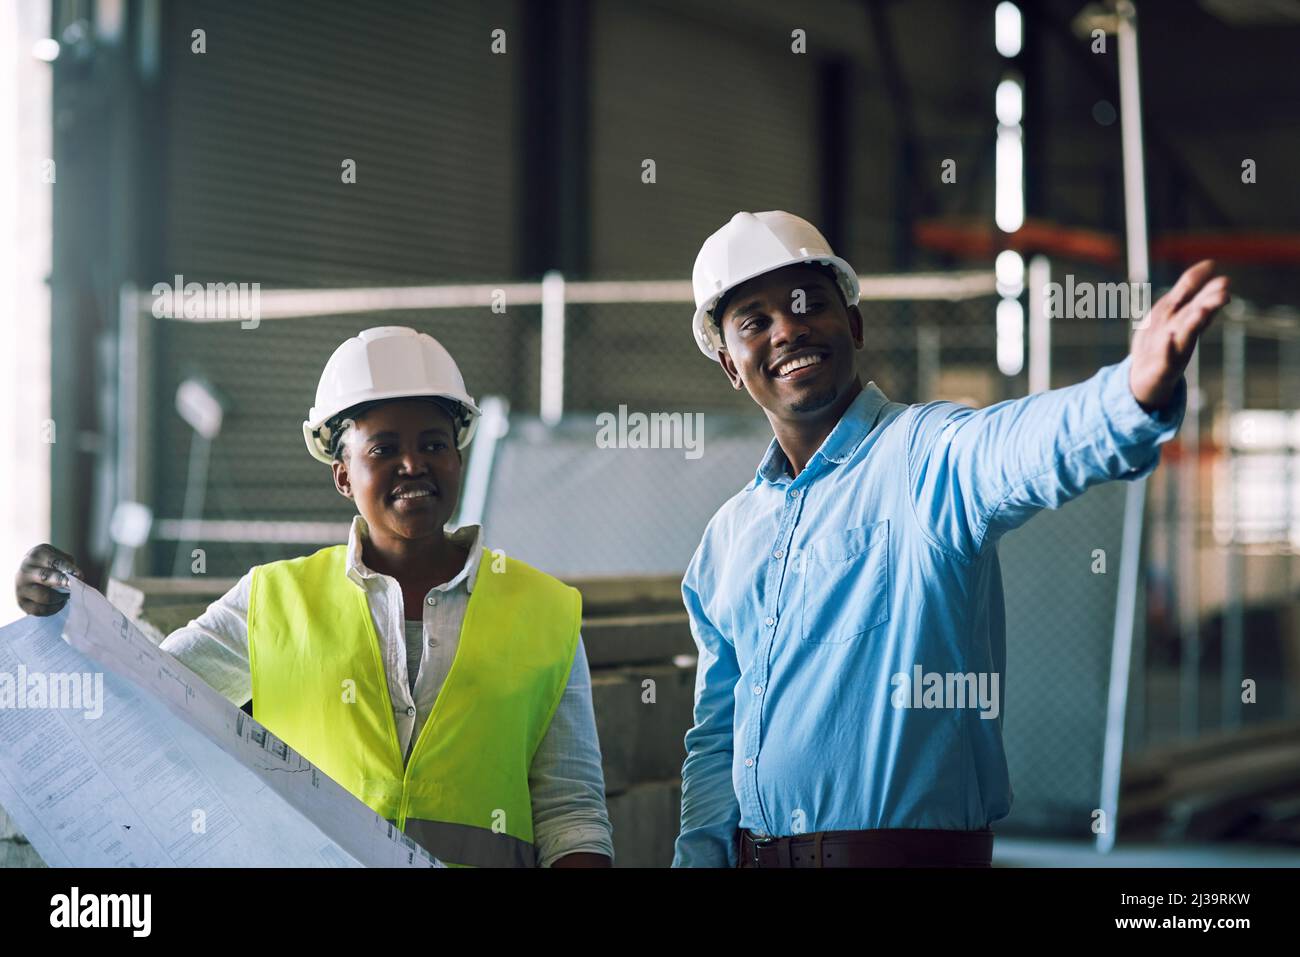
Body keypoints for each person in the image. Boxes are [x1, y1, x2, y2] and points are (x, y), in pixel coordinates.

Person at [673, 211, 1230, 868]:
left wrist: (1127, 395)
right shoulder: (727, 540)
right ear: (730, 364)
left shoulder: (928, 456)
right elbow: (716, 735)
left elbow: (1021, 446)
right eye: (754, 322)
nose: (787, 329)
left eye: (807, 305)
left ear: (852, 324)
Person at [16, 325, 613, 868]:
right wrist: (61, 615)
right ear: (343, 474)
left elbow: (572, 813)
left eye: (434, 444)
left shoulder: (544, 611)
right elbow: (144, 694)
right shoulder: (272, 602)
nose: (414, 463)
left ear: (457, 458)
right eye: (383, 449)